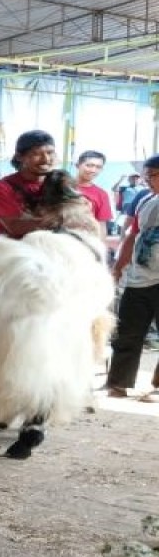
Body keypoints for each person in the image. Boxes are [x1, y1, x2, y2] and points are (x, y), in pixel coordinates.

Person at [104, 155, 159, 401]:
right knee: (127, 331)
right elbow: (131, 235)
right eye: (147, 176)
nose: (149, 180)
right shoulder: (146, 200)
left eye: (154, 175)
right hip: (139, 278)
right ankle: (118, 383)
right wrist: (118, 268)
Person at [0, 130, 59, 239]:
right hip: (14, 252)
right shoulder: (1, 187)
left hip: (52, 249)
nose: (46, 159)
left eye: (50, 153)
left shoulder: (59, 185)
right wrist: (62, 221)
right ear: (19, 157)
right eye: (36, 154)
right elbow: (15, 227)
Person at [73, 150, 113, 237]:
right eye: (89, 165)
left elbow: (101, 225)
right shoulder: (62, 187)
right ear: (77, 165)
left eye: (98, 167)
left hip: (85, 241)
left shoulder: (102, 194)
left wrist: (100, 248)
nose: (93, 170)